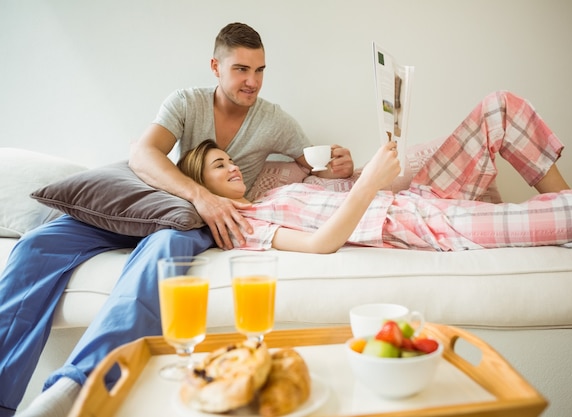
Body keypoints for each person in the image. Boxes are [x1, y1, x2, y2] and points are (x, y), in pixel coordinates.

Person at [0, 22, 353, 417]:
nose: (252, 82)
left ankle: (79, 386)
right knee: (36, 245)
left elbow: (308, 164)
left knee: (164, 251)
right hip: (160, 203)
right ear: (215, 67)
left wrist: (336, 167)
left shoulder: (274, 120)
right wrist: (200, 195)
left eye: (260, 70)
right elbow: (143, 154)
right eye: (241, 69)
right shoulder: (186, 102)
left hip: (189, 223)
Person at [176, 91, 572, 253]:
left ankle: (560, 199)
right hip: (419, 224)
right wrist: (369, 184)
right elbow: (317, 243)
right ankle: (567, 209)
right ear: (200, 182)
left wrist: (348, 169)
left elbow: (326, 175)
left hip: (417, 196)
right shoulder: (245, 225)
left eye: (230, 159)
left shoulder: (271, 191)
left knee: (501, 107)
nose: (233, 165)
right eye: (220, 165)